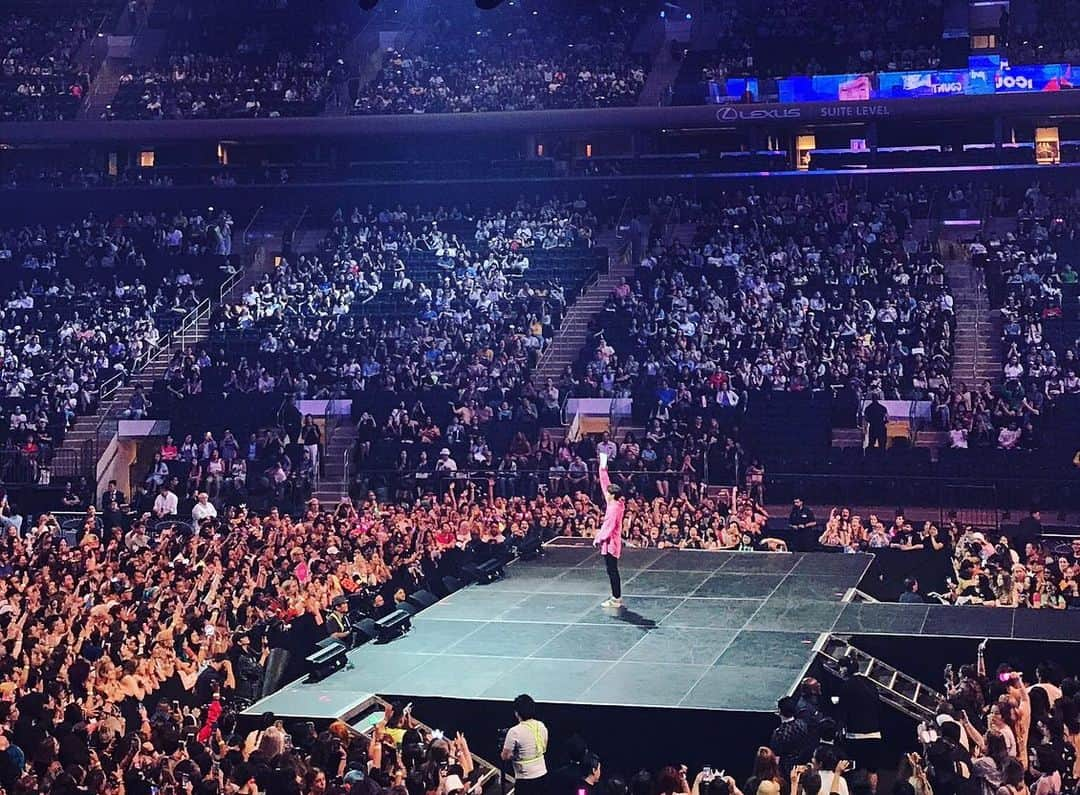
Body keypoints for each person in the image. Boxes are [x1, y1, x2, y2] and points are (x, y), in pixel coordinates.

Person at [593, 451, 626, 608]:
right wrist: (602, 467)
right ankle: (616, 597)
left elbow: (609, 526)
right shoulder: (616, 502)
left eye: (608, 494)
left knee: (612, 571)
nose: (605, 494)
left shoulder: (614, 509)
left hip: (611, 543)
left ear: (612, 495)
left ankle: (616, 598)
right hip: (610, 541)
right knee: (611, 570)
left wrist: (598, 538)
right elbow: (605, 483)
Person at [501, 694, 548, 795]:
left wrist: (516, 755)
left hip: (526, 780)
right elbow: (544, 747)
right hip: (543, 775)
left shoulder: (514, 732)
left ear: (516, 713)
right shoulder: (541, 726)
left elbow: (505, 756)